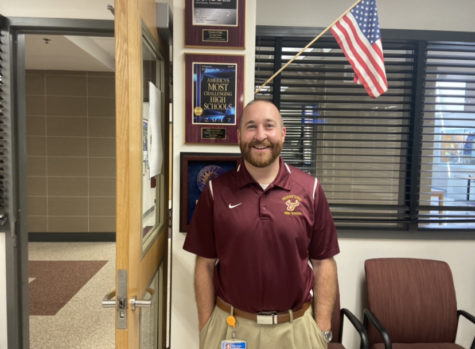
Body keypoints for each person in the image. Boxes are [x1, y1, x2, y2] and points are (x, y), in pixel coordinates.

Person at [183, 100, 340, 349]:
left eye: (269, 126)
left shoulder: (310, 190)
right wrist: (207, 326)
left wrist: (322, 329)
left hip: (296, 330)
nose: (260, 136)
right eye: (251, 127)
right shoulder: (216, 191)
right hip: (232, 328)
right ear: (239, 136)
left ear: (282, 133)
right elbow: (204, 264)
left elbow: (323, 262)